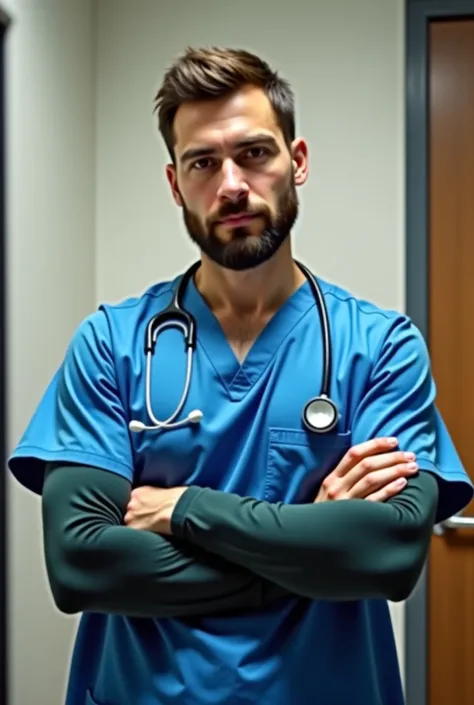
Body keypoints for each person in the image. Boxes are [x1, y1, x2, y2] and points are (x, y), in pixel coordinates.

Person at [8, 46, 473, 705]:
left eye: (254, 153)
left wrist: (188, 508)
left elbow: (390, 554)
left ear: (297, 162)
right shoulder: (112, 344)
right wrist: (308, 542)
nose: (231, 184)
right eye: (203, 162)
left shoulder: (380, 347)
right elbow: (82, 563)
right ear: (175, 184)